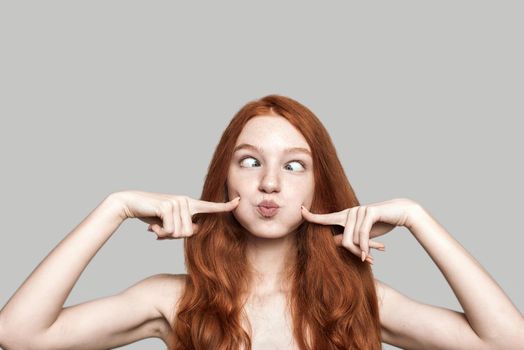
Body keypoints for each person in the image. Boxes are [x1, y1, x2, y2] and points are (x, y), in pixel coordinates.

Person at [0, 94, 522, 350]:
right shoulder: (174, 301)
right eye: (250, 160)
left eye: (294, 165)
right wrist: (114, 207)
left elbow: (507, 343)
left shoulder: (359, 302)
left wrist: (417, 217)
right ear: (224, 177)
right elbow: (17, 335)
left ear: (320, 184)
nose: (269, 183)